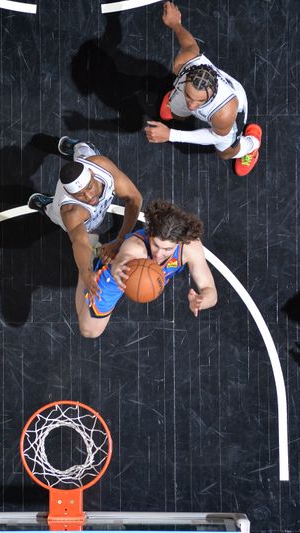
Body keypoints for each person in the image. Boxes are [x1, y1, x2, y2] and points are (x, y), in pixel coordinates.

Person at [144, 1, 262, 177]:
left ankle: (252, 144)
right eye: (190, 96)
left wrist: (171, 135)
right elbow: (190, 45)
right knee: (177, 111)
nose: (192, 105)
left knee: (225, 153)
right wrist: (176, 24)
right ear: (186, 80)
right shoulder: (183, 64)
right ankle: (178, 99)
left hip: (226, 119)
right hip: (194, 95)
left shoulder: (225, 113)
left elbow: (214, 136)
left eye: (200, 100)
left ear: (212, 93)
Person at [76, 200, 218, 338]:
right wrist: (117, 269)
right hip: (118, 276)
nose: (159, 254)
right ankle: (86, 263)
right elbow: (122, 259)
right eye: (156, 245)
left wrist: (203, 301)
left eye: (167, 249)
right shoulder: (135, 246)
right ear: (150, 234)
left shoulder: (191, 247)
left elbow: (209, 290)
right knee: (89, 331)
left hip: (144, 278)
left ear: (180, 241)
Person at [28, 137, 143, 302]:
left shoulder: (101, 165)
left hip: (89, 163)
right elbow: (80, 242)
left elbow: (134, 198)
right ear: (71, 194)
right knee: (55, 215)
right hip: (72, 214)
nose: (89, 196)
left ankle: (79, 146)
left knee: (85, 153)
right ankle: (46, 205)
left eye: (89, 188)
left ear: (92, 174)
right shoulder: (70, 211)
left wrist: (119, 240)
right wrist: (85, 271)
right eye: (80, 194)